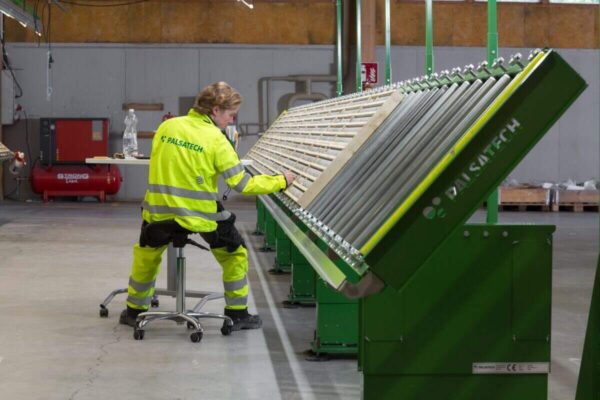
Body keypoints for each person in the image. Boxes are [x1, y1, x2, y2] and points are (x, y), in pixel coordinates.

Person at [120, 81, 296, 331]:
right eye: (230, 114)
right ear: (215, 110)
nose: (231, 120)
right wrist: (281, 180)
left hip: (157, 212)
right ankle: (237, 314)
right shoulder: (216, 139)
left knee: (146, 255)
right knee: (235, 254)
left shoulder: (167, 126)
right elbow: (242, 183)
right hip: (197, 215)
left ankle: (134, 311)